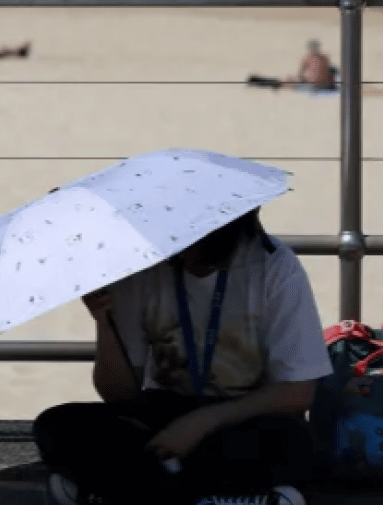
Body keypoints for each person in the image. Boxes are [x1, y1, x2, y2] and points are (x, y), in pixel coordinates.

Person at [33, 208, 331, 505]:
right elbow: (120, 396)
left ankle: (122, 490)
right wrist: (105, 322)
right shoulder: (145, 267)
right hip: (163, 412)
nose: (188, 258)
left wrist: (202, 422)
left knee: (291, 443)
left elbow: (298, 393)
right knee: (56, 425)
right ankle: (219, 496)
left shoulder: (274, 264)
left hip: (243, 415)